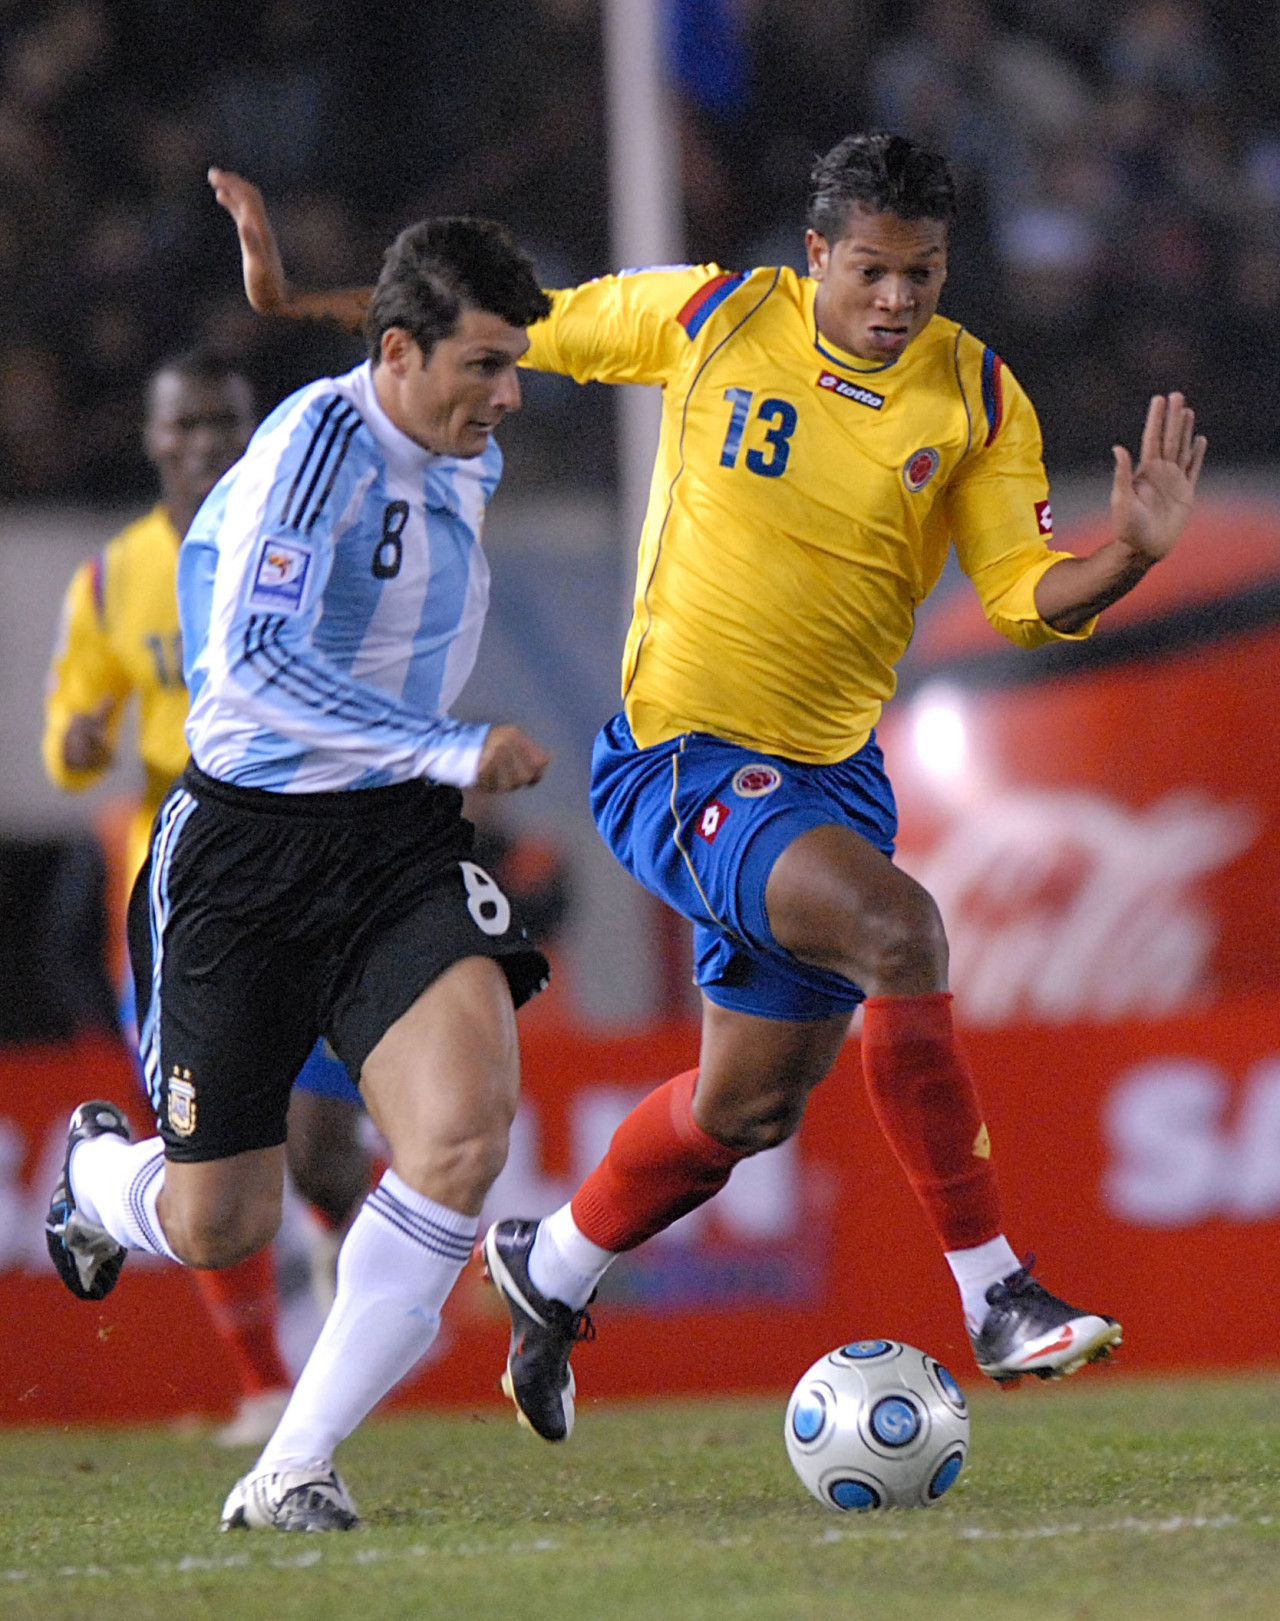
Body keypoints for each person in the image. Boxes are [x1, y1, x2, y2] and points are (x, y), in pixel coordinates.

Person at [207, 136, 1206, 1449]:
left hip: (830, 780)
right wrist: (307, 305)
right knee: (904, 930)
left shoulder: (975, 397)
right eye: (872, 271)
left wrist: (1126, 554)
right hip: (680, 760)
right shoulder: (715, 316)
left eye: (924, 272)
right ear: (815, 259)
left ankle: (550, 1267)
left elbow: (1026, 598)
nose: (898, 298)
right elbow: (505, 321)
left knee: (749, 1108)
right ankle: (996, 1290)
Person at [45, 213, 554, 1531]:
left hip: (390, 845)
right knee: (222, 1219)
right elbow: (257, 669)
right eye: (487, 367)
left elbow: (424, 330)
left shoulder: (447, 431)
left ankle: (294, 1464)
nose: (507, 399)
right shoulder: (307, 458)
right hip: (244, 855)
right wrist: (445, 742)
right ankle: (101, 1183)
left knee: (459, 1134)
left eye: (517, 368)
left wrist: (293, 294)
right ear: (400, 354)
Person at [41, 348, 369, 1447]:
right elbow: (67, 751)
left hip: (306, 870)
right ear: (150, 437)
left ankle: (345, 1296)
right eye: (181, 426)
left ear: (251, 433)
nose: (201, 445)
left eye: (222, 424)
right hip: (182, 896)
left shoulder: (297, 548)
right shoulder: (110, 580)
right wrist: (82, 739)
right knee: (210, 1167)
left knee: (323, 1151)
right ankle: (264, 1386)